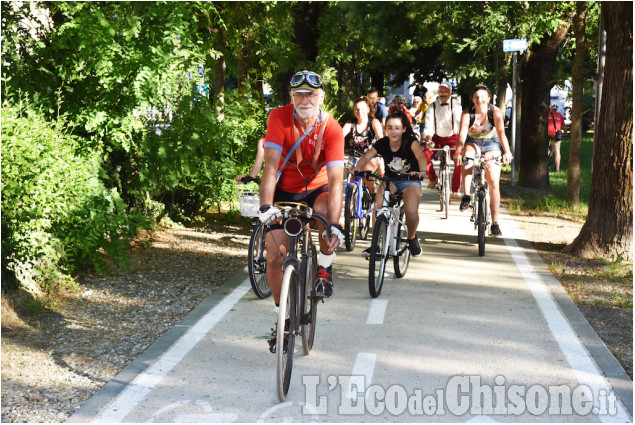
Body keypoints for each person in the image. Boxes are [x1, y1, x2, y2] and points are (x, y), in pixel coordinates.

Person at [258, 70, 344, 350]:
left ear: (321, 96)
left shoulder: (332, 128)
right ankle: (282, 317)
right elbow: (270, 166)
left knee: (324, 213)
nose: (305, 99)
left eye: (311, 94)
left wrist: (335, 225)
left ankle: (324, 269)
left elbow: (336, 180)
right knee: (273, 258)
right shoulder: (279, 117)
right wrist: (266, 207)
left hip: (318, 189)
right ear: (291, 97)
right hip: (285, 190)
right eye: (299, 94)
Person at [355, 110, 427, 257]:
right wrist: (357, 168)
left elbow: (421, 156)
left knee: (411, 212)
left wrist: (422, 171)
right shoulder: (382, 143)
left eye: (397, 128)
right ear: (385, 128)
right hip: (390, 180)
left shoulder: (410, 142)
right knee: (379, 206)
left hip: (410, 181)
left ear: (404, 129)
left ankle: (412, 238)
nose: (393, 131)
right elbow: (367, 156)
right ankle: (376, 245)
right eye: (390, 128)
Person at [453, 85, 513, 237]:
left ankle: (495, 223)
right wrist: (458, 152)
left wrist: (507, 151)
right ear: (473, 99)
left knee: (493, 181)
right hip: (472, 143)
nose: (479, 100)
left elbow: (501, 134)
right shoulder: (467, 113)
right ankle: (466, 196)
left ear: (488, 98)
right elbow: (461, 135)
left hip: (492, 144)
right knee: (467, 157)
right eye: (476, 97)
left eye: (482, 97)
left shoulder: (496, 113)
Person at [342, 96, 385, 200]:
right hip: (354, 157)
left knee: (367, 175)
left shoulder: (373, 122)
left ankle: (374, 196)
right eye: (356, 109)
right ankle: (352, 210)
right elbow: (339, 136)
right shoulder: (350, 123)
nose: (359, 111)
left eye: (362, 108)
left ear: (368, 109)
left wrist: (383, 155)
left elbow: (381, 140)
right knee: (352, 180)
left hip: (371, 156)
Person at [423, 81, 462, 195]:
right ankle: (433, 178)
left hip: (453, 136)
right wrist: (429, 139)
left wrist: (459, 143)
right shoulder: (432, 106)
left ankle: (455, 190)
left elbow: (458, 123)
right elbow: (429, 124)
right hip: (437, 137)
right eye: (441, 91)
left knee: (459, 160)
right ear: (438, 92)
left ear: (450, 92)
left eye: (445, 91)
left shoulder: (456, 105)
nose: (443, 94)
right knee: (424, 156)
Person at [547, 103, 566, 171]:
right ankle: (557, 169)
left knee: (546, 150)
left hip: (547, 133)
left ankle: (546, 167)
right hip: (556, 134)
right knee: (557, 151)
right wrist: (565, 133)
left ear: (550, 108)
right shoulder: (560, 115)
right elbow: (563, 125)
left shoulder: (547, 114)